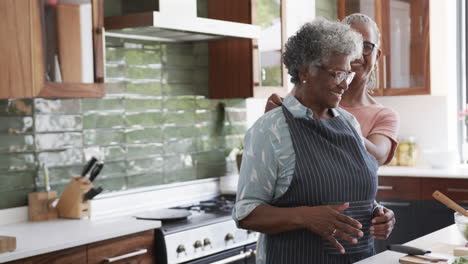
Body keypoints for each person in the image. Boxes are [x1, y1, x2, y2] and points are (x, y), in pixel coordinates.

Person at [234, 17, 380, 264]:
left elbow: (349, 192)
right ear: (305, 72)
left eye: (348, 74)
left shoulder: (349, 123)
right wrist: (305, 217)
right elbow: (246, 214)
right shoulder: (271, 130)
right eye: (337, 74)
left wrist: (377, 212)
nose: (345, 84)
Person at [265, 13, 398, 242]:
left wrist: (335, 119)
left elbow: (375, 156)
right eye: (350, 42)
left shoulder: (381, 115)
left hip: (354, 240)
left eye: (365, 46)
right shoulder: (300, 103)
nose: (356, 52)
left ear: (378, 55)